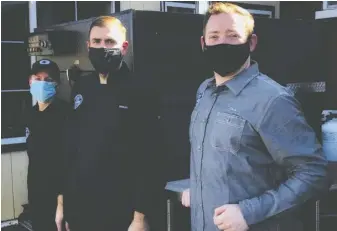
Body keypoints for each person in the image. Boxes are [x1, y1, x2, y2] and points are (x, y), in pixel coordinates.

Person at [181, 2, 328, 231]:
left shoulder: (272, 100)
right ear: (203, 43)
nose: (222, 43)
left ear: (251, 42)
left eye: (233, 36)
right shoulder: (205, 92)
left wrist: (249, 212)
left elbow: (313, 172)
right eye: (214, 36)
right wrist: (200, 189)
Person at [55, 16, 163, 231]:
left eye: (109, 42)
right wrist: (62, 204)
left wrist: (140, 217)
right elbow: (70, 149)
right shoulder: (82, 87)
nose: (102, 47)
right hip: (81, 208)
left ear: (123, 47)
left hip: (121, 212)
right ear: (88, 46)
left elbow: (151, 156)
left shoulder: (141, 90)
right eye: (96, 42)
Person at [26, 59, 70, 231]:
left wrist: (62, 203)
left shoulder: (65, 114)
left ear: (56, 84)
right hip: (36, 194)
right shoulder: (30, 114)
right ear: (30, 81)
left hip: (59, 197)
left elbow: (69, 161)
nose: (42, 83)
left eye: (48, 79)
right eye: (38, 78)